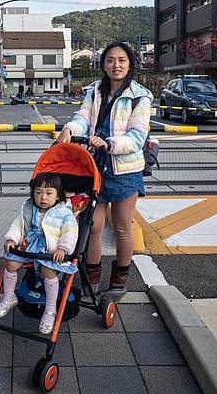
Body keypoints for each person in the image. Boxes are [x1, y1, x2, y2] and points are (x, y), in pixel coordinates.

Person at [56, 41, 152, 297]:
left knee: (122, 227)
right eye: (110, 60)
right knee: (92, 225)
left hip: (124, 171)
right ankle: (92, 278)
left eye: (121, 60)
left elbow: (137, 137)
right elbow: (83, 117)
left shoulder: (140, 96)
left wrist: (109, 143)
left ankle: (119, 281)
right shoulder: (95, 91)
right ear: (103, 64)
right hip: (94, 168)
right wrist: (69, 129)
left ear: (130, 64)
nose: (116, 65)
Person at [0, 173, 78, 334]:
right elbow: (19, 225)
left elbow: (70, 232)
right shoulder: (28, 207)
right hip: (30, 245)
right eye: (38, 192)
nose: (42, 197)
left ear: (59, 195)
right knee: (11, 263)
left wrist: (63, 248)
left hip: (51, 250)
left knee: (48, 271)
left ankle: (50, 310)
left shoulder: (64, 213)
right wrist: (12, 239)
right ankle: (9, 297)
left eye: (48, 193)